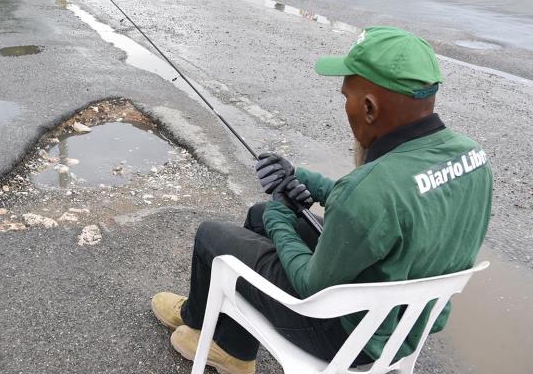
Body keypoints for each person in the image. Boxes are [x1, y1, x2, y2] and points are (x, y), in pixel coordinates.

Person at [151, 27, 492, 374]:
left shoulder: (369, 191)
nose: (346, 106)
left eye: (347, 97)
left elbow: (309, 283)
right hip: (403, 326)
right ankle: (233, 345)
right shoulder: (472, 156)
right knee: (258, 214)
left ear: (369, 107)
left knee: (212, 235)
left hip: (344, 337)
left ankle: (198, 319)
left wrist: (280, 216)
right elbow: (385, 211)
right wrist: (300, 178)